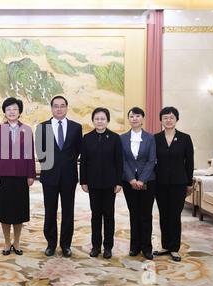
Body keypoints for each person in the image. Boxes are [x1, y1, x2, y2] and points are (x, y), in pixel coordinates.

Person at [36, 96, 82, 257]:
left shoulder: (76, 128)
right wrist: (51, 166)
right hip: (50, 176)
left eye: (62, 106)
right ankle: (51, 243)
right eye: (56, 106)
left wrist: (65, 163)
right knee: (50, 211)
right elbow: (40, 152)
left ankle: (66, 245)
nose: (59, 109)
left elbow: (77, 151)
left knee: (68, 211)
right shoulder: (43, 127)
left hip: (69, 176)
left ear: (67, 108)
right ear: (51, 108)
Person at [0, 97, 36, 256]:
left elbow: (30, 154)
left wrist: (31, 174)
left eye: (15, 109)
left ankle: (16, 242)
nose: (11, 112)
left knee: (19, 210)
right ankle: (7, 242)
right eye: (8, 109)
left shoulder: (27, 130)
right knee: (4, 210)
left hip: (21, 176)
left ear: (19, 112)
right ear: (4, 112)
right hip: (3, 176)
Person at [80, 107, 123, 259]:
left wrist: (119, 182)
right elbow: (83, 161)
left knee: (109, 216)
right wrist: (83, 181)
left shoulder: (115, 138)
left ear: (107, 120)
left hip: (110, 184)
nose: (100, 121)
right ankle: (95, 246)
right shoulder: (87, 138)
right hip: (93, 183)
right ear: (93, 121)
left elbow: (119, 162)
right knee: (95, 215)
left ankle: (108, 247)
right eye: (97, 118)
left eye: (102, 118)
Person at [153, 106, 194, 262]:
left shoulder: (185, 138)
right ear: (161, 120)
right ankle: (165, 246)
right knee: (164, 214)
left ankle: (174, 248)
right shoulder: (155, 138)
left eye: (171, 117)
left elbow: (189, 162)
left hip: (179, 182)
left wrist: (189, 183)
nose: (168, 120)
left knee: (175, 215)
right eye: (165, 117)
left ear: (177, 119)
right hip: (160, 182)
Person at [120, 107, 156, 260]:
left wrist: (142, 179)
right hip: (129, 182)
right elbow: (122, 161)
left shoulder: (150, 138)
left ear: (142, 119)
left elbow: (151, 160)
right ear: (128, 119)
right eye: (131, 116)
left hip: (148, 181)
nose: (134, 118)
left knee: (146, 214)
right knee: (134, 213)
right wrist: (131, 179)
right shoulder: (122, 138)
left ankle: (147, 248)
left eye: (137, 116)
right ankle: (134, 247)